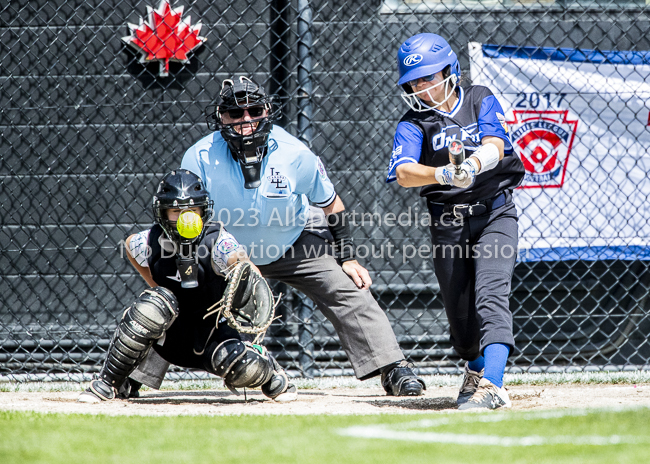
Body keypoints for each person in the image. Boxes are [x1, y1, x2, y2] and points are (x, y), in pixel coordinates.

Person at [164, 75, 424, 396]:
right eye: (235, 113)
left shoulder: (294, 153)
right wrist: (219, 259)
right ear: (221, 117)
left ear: (267, 111)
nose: (246, 120)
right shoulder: (199, 156)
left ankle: (394, 368)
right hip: (228, 251)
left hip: (292, 242)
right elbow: (189, 220)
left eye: (254, 111)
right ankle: (130, 375)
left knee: (345, 288)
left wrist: (348, 257)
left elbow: (332, 204)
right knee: (175, 295)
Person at [386, 33, 525, 410]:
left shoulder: (479, 97)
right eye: (414, 81)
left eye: (429, 77)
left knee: (492, 294)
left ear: (450, 71)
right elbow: (404, 173)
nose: (420, 86)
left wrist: (472, 165)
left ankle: (493, 384)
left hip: (494, 211)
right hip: (448, 222)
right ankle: (476, 369)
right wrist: (444, 175)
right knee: (460, 318)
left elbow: (497, 145)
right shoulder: (414, 123)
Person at [78, 170, 296, 403]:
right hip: (171, 332)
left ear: (203, 211)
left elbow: (241, 262)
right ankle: (111, 382)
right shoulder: (151, 240)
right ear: (163, 213)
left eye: (192, 211)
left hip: (213, 335)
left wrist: (242, 268)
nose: (185, 219)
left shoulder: (218, 240)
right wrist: (156, 286)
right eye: (176, 211)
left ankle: (268, 369)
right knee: (153, 306)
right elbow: (131, 246)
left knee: (241, 365)